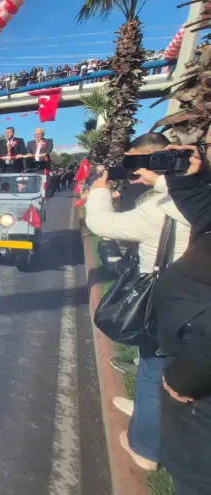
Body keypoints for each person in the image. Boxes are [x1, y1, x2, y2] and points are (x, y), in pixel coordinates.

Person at [84, 133, 191, 472]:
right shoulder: (190, 193)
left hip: (168, 300)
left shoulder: (166, 204)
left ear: (157, 161)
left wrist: (99, 190)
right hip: (186, 296)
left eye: (138, 164)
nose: (135, 173)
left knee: (154, 370)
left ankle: (145, 448)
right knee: (155, 367)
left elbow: (101, 223)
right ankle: (147, 412)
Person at [133, 142, 211, 495]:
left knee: (195, 474)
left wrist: (184, 378)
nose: (204, 153)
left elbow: (103, 222)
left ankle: (147, 445)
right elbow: (205, 217)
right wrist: (189, 182)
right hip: (186, 339)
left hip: (196, 369)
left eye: (208, 147)